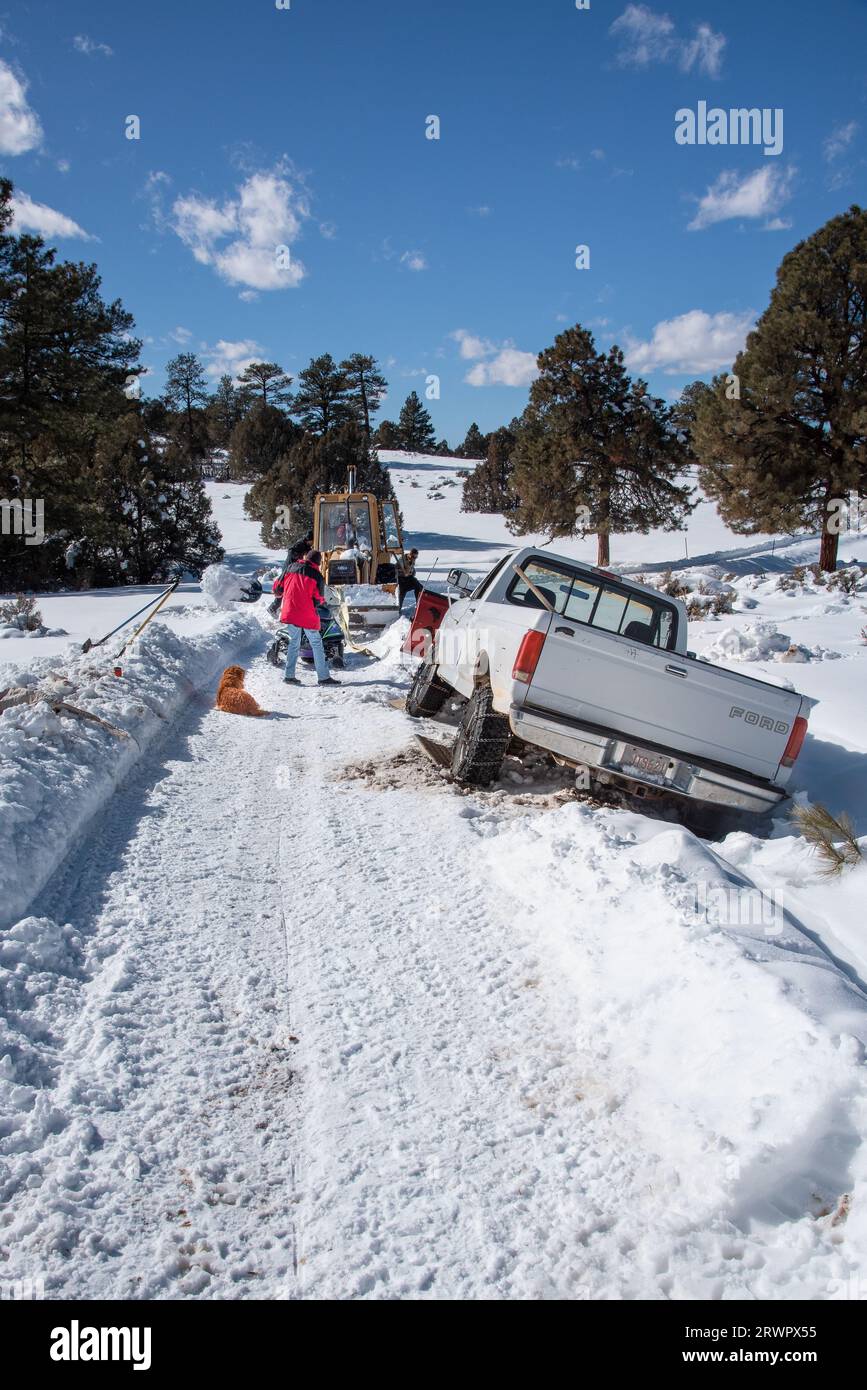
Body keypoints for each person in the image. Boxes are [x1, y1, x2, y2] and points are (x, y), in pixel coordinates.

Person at [277, 549, 341, 688]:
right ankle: (323, 677)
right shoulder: (317, 575)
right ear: (317, 563)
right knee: (317, 643)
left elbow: (277, 587)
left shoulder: (290, 567)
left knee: (294, 642)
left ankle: (289, 676)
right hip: (306, 614)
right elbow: (318, 599)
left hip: (289, 612)